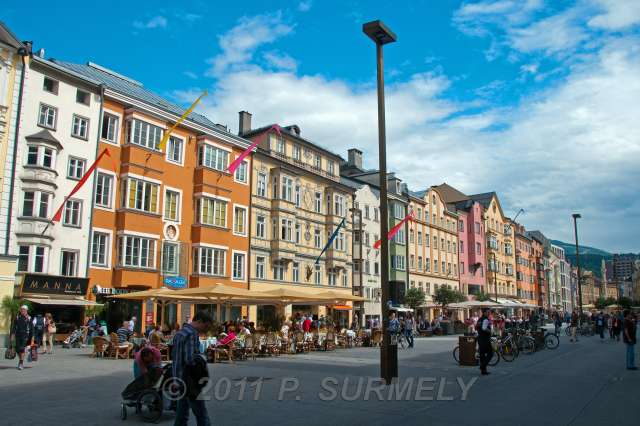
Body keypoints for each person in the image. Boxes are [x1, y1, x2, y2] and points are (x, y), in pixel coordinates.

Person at [172, 310, 213, 426]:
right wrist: (201, 357)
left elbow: (176, 359)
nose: (205, 330)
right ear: (199, 321)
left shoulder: (179, 333)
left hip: (179, 378)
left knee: (182, 414)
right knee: (201, 414)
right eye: (205, 326)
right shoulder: (192, 333)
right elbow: (189, 359)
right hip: (190, 380)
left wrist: (175, 379)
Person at [11, 305, 34, 371]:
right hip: (18, 335)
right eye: (22, 310)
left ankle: (21, 363)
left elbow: (32, 328)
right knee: (17, 349)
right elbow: (14, 327)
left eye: (24, 310)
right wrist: (12, 335)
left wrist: (32, 337)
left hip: (25, 336)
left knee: (22, 349)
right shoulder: (17, 317)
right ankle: (21, 359)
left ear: (26, 311)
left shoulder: (29, 318)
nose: (22, 311)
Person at [476, 308, 493, 375]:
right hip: (485, 339)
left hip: (480, 338)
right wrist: (490, 331)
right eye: (488, 312)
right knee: (490, 353)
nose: (489, 313)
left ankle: (483, 371)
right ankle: (482, 366)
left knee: (482, 355)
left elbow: (477, 327)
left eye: (489, 312)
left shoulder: (480, 319)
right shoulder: (485, 319)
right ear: (485, 312)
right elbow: (484, 328)